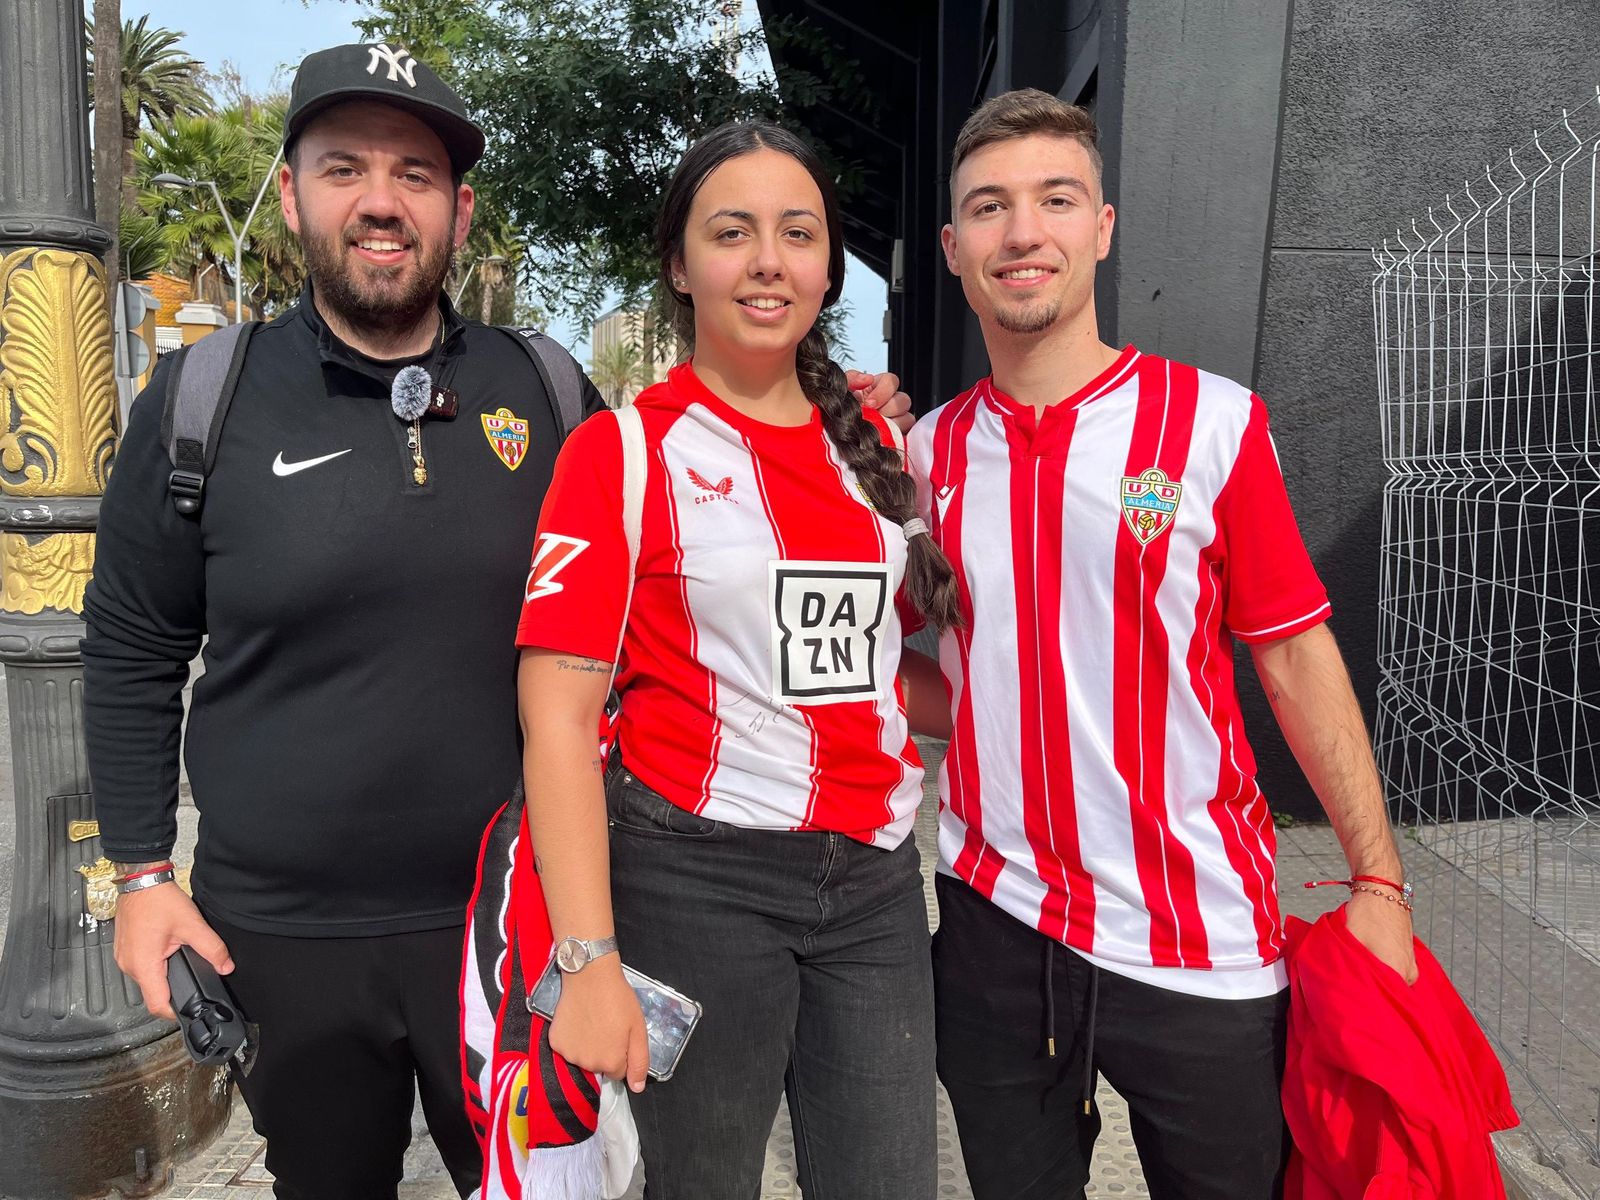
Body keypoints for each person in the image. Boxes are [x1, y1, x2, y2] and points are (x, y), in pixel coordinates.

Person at [82, 44, 909, 1198]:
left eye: (415, 174)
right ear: (291, 193)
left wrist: (837, 419)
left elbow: (689, 544)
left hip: (513, 927)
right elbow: (128, 644)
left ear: (459, 210)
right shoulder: (202, 404)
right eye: (345, 169)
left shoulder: (552, 392)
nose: (381, 201)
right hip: (286, 937)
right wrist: (136, 877)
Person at [908, 89, 1417, 1200]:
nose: (1022, 232)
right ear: (952, 248)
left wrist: (1378, 879)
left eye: (1055, 198)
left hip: (1202, 941)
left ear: (1102, 226)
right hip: (997, 933)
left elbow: (1294, 656)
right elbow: (926, 679)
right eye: (988, 208)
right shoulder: (924, 456)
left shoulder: (1212, 424)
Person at [512, 120, 957, 1200]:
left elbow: (894, 667)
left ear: (827, 263)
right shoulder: (622, 451)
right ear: (679, 262)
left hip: (877, 884)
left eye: (798, 233)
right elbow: (558, 725)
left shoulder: (880, 448)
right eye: (732, 231)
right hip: (691, 879)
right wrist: (588, 962)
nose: (769, 261)